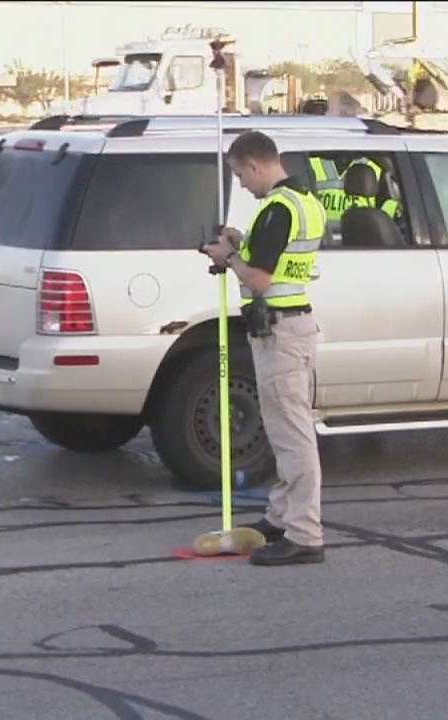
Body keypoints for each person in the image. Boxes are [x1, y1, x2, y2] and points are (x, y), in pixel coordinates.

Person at [200, 130, 327, 567]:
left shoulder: (277, 210)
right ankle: (282, 516)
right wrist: (240, 242)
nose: (240, 184)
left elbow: (259, 278)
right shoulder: (303, 202)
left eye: (239, 174)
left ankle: (305, 535)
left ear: (255, 165)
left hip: (282, 330)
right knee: (284, 428)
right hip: (290, 326)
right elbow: (278, 258)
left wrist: (226, 257)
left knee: (292, 435)